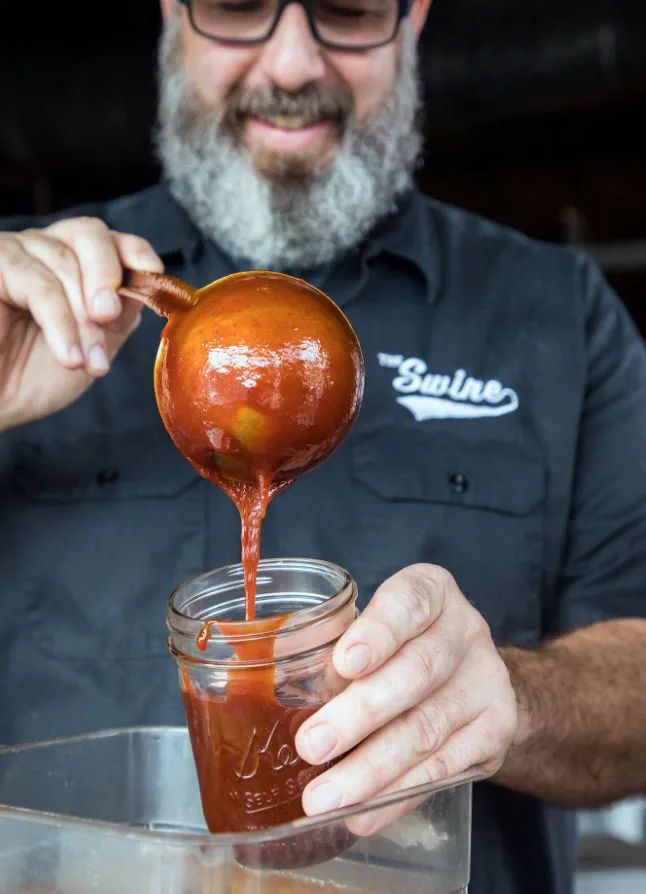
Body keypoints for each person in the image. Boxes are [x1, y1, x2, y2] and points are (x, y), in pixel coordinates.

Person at [0, 0, 645, 891]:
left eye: (347, 12)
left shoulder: (559, 313)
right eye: (237, 8)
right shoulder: (18, 304)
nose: (295, 65)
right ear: (168, 12)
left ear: (412, 17)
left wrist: (514, 700)